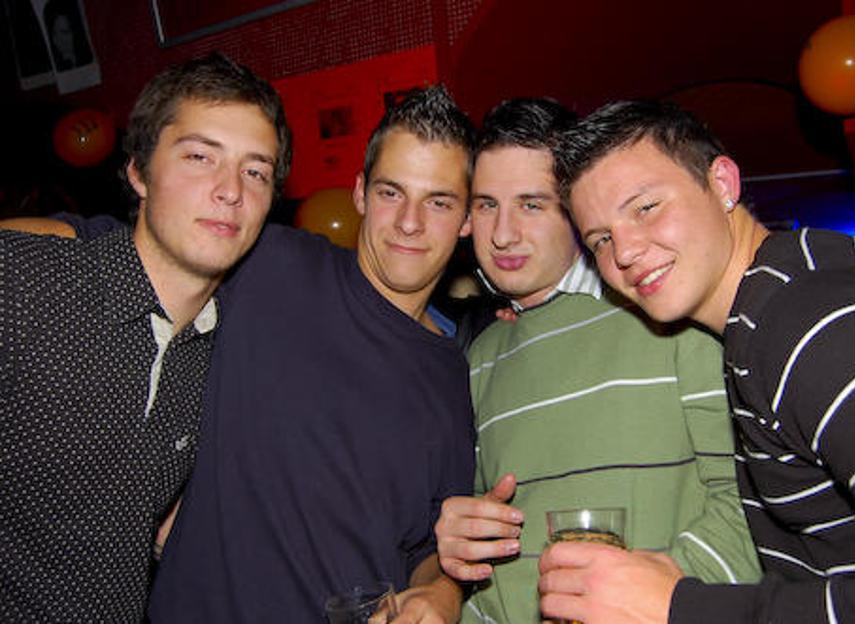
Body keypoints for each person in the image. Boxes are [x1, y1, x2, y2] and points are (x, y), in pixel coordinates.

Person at [537, 99, 855, 623]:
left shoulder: (817, 325)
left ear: (723, 183)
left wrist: (683, 609)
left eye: (645, 207)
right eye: (601, 240)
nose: (625, 252)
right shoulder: (771, 315)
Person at [146, 86, 476, 623]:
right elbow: (130, 266)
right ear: (360, 193)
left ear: (466, 220)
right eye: (391, 192)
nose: (410, 222)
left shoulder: (451, 373)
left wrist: (442, 592)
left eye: (438, 202)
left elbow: (427, 543)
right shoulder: (268, 265)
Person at [433, 98, 760, 623]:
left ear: (577, 210)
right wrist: (453, 557)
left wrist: (654, 601)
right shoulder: (481, 355)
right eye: (487, 205)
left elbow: (750, 508)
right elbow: (493, 559)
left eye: (532, 204)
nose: (503, 233)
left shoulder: (672, 313)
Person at [0, 53, 291, 623]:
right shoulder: (28, 282)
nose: (230, 190)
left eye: (255, 171)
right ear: (138, 172)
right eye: (200, 157)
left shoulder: (223, 347)